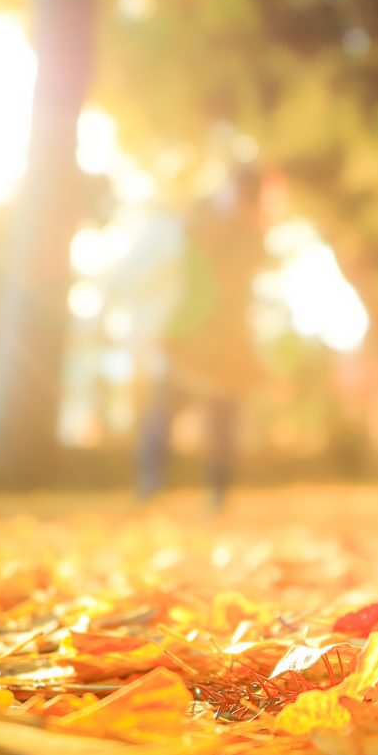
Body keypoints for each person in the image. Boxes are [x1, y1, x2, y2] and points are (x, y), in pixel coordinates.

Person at [136, 165, 265, 509]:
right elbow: (182, 271)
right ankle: (151, 480)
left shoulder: (251, 232)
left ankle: (218, 492)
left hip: (230, 341)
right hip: (190, 335)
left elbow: (244, 280)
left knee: (222, 422)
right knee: (164, 412)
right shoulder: (199, 221)